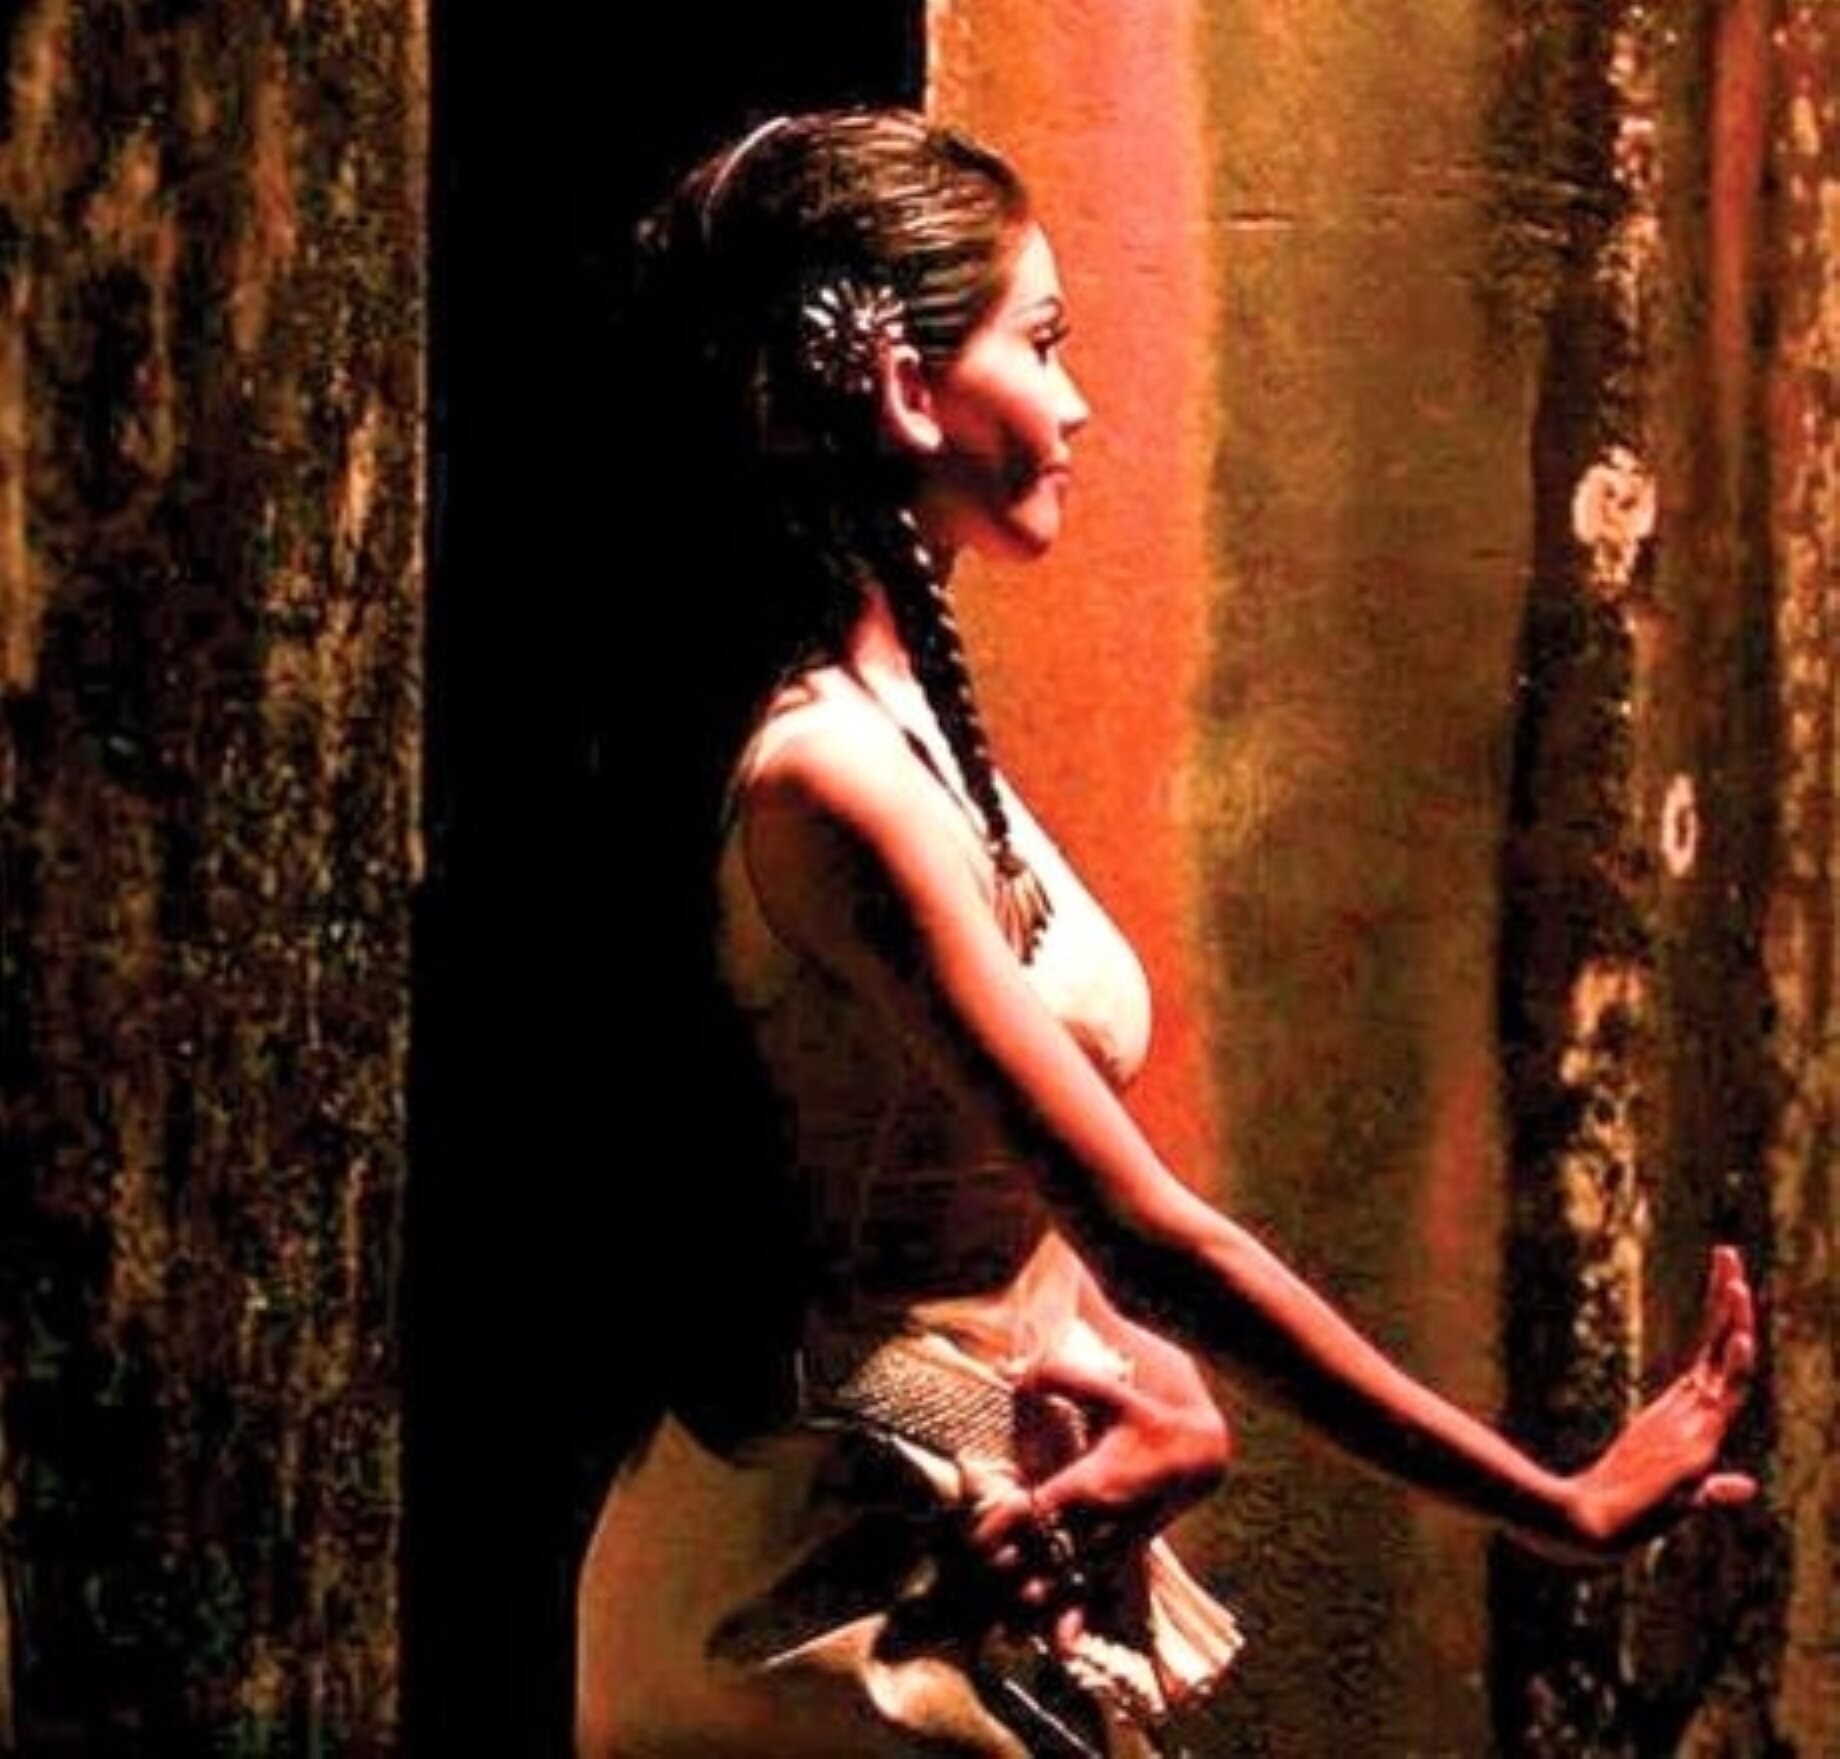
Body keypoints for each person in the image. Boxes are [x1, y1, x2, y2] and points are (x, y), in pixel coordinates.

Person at [575, 106, 1757, 1758]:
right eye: (1042, 343)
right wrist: (1549, 1502)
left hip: (956, 1516)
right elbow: (1144, 1230)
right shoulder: (830, 780)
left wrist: (1156, 1394)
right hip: (821, 1588)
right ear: (906, 387)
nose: (1075, 404)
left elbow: (988, 1217)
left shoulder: (910, 736)